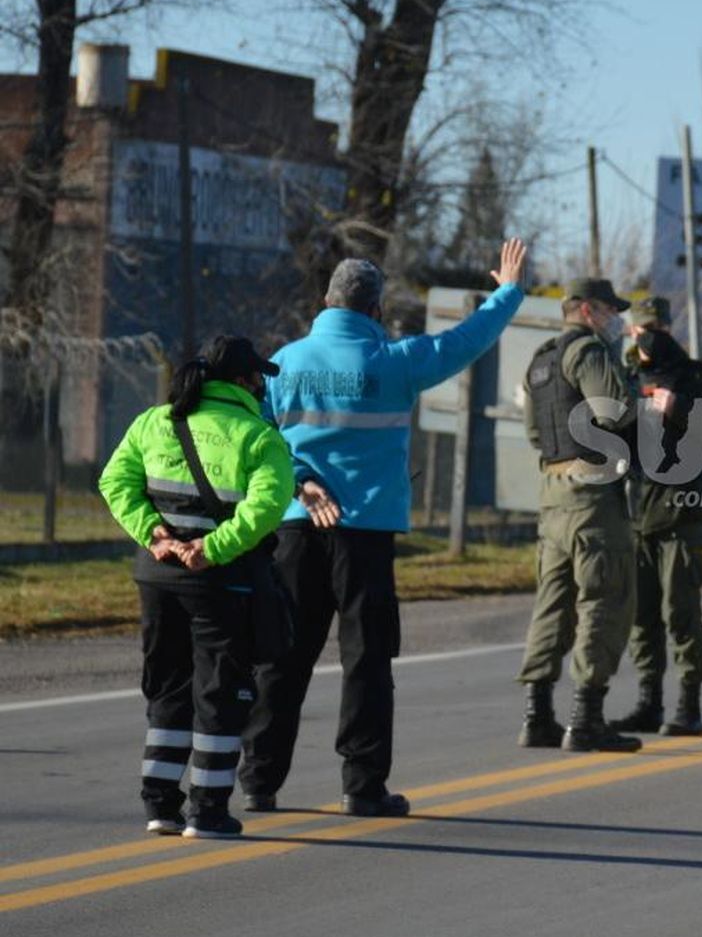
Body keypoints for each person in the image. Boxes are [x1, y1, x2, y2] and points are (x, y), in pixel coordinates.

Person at [238, 239, 528, 816]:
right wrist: (507, 292)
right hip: (365, 534)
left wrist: (299, 480)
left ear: (326, 301)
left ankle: (259, 780)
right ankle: (362, 786)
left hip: (296, 528)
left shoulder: (283, 363)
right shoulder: (396, 362)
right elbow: (465, 341)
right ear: (374, 309)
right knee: (367, 661)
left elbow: (257, 437)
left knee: (283, 657)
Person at [98, 336, 293, 839]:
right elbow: (266, 508)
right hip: (222, 581)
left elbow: (115, 481)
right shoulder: (259, 436)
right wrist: (212, 548)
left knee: (167, 686)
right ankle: (207, 811)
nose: (260, 387)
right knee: (220, 692)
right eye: (258, 378)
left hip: (157, 575)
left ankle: (160, 805)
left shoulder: (153, 421)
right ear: (245, 381)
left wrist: (155, 533)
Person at [516, 277, 642, 753]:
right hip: (592, 496)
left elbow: (534, 434)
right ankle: (586, 719)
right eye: (611, 311)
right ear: (588, 310)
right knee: (604, 600)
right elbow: (617, 409)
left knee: (552, 602)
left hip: (552, 496)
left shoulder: (541, 360)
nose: (616, 320)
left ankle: (537, 715)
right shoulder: (587, 352)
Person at [611, 297, 702, 737]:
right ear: (632, 333)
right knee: (642, 616)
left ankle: (688, 707)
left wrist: (677, 407)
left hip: (681, 515)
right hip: (637, 514)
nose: (651, 335)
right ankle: (648, 702)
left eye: (658, 326)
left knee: (682, 615)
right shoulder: (625, 377)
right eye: (643, 328)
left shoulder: (694, 376)